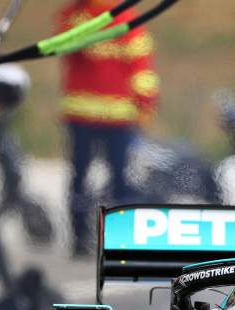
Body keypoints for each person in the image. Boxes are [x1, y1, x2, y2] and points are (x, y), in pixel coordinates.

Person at [59, 0, 159, 256]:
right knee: (80, 178)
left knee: (120, 180)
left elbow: (141, 65)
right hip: (82, 116)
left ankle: (118, 241)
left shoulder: (125, 17)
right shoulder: (75, 16)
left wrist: (145, 102)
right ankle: (80, 237)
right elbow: (65, 47)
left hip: (118, 118)